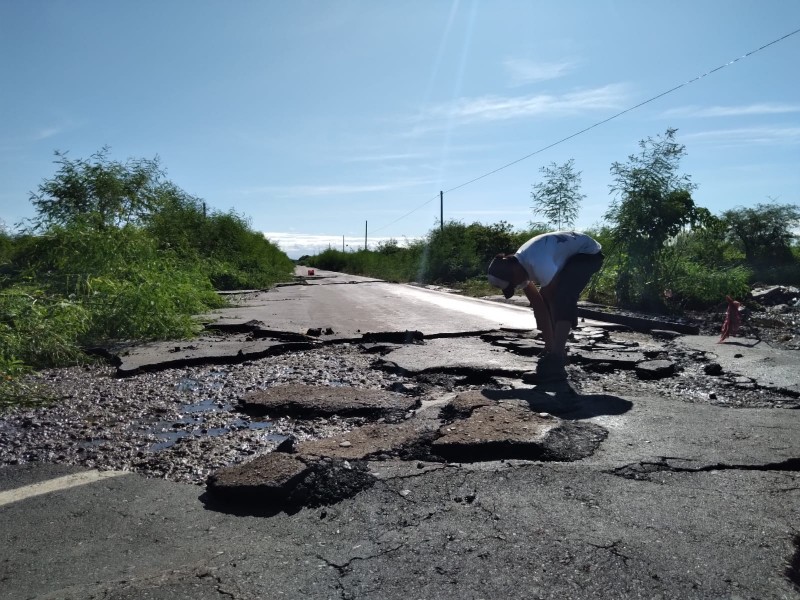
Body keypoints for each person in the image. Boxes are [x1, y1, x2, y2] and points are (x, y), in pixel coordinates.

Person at [487, 231, 603, 382]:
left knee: (562, 297)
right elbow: (539, 306)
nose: (516, 286)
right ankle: (555, 352)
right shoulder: (519, 265)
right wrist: (549, 344)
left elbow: (553, 302)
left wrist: (557, 349)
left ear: (513, 272)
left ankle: (556, 362)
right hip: (569, 255)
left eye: (512, 284)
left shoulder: (538, 262)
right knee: (549, 295)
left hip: (588, 254)